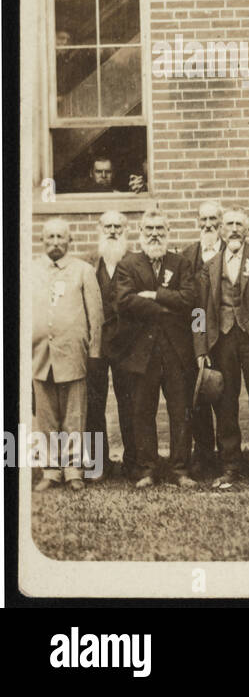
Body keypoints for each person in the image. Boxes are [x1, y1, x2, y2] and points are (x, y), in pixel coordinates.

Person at [193, 205, 249, 487]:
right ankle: (230, 464)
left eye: (238, 224)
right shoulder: (210, 265)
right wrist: (201, 348)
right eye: (228, 224)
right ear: (220, 229)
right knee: (225, 405)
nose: (233, 229)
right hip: (222, 340)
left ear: (248, 227)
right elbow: (200, 311)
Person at [113, 211, 199, 489]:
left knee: (180, 410)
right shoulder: (128, 264)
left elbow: (189, 299)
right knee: (142, 411)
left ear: (168, 231)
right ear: (140, 230)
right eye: (149, 228)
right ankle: (146, 469)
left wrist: (153, 296)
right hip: (142, 351)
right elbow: (124, 301)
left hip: (176, 350)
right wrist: (166, 308)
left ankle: (179, 469)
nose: (154, 234)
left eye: (160, 229)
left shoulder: (181, 262)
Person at [33, 219, 102, 492]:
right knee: (46, 417)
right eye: (50, 236)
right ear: (42, 240)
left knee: (74, 416)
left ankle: (74, 470)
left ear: (69, 241)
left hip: (73, 355)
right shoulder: (31, 270)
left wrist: (94, 353)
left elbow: (96, 317)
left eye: (61, 236)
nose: (55, 241)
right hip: (39, 355)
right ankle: (51, 471)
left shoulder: (83, 271)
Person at [84, 210, 136, 480]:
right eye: (108, 226)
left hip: (126, 344)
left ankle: (132, 463)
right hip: (96, 345)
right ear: (99, 228)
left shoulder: (135, 262)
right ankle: (98, 464)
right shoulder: (90, 262)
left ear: (126, 229)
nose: (113, 230)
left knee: (129, 403)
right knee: (94, 404)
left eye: (118, 226)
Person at [179, 199, 225, 477]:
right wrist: (200, 342)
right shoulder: (188, 255)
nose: (208, 225)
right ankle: (204, 453)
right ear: (197, 222)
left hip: (226, 335)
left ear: (220, 223)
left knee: (224, 397)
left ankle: (228, 455)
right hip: (196, 335)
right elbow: (193, 304)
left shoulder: (231, 252)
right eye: (203, 220)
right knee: (197, 396)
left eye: (213, 220)